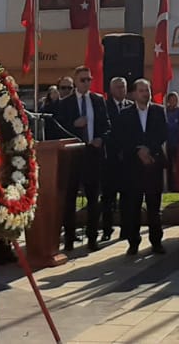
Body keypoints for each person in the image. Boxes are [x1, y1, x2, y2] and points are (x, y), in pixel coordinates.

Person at [110, 79, 169, 256]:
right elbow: (120, 137)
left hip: (153, 164)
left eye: (147, 90)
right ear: (134, 93)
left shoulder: (158, 111)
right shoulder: (125, 114)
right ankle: (133, 242)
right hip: (133, 167)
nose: (146, 93)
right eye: (142, 91)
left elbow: (162, 133)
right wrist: (137, 150)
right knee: (132, 207)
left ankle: (156, 242)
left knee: (154, 206)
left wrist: (148, 149)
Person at [55, 67, 110, 251]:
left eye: (89, 79)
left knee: (93, 198)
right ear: (76, 82)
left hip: (93, 154)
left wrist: (101, 138)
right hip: (73, 155)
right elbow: (58, 128)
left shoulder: (98, 100)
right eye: (83, 80)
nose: (86, 83)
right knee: (70, 198)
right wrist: (74, 124)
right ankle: (69, 238)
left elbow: (107, 126)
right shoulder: (65, 103)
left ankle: (92, 237)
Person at [100, 76, 131, 241]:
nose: (121, 90)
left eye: (123, 87)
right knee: (108, 198)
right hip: (109, 160)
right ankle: (107, 229)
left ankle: (126, 229)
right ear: (111, 90)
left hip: (127, 160)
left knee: (126, 198)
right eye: (118, 87)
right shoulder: (104, 107)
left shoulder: (131, 107)